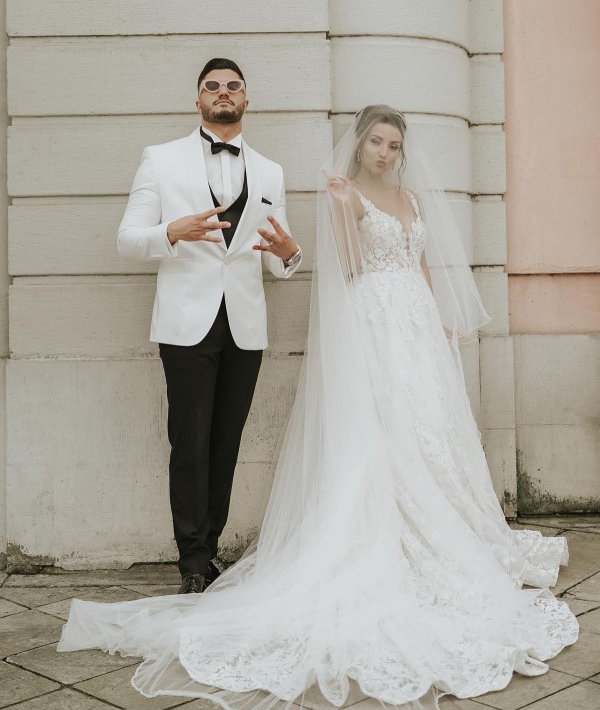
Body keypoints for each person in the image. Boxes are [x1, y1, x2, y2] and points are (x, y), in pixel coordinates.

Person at [58, 105, 578, 710]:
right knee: (376, 435)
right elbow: (351, 268)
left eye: (393, 144)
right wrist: (337, 210)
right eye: (376, 142)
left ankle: (450, 532)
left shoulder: (414, 199)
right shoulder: (345, 194)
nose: (384, 152)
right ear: (359, 146)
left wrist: (437, 323)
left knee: (430, 430)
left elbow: (423, 265)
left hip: (414, 324)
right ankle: (212, 554)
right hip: (375, 324)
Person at [115, 57, 302, 594]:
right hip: (186, 324)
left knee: (226, 444)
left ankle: (211, 551)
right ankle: (192, 562)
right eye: (212, 86)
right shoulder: (160, 159)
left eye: (233, 86)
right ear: (197, 100)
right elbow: (127, 238)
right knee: (190, 442)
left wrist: (291, 255)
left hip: (245, 326)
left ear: (247, 99)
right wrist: (169, 232)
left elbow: (276, 260)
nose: (224, 92)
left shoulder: (270, 172)